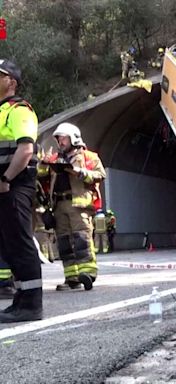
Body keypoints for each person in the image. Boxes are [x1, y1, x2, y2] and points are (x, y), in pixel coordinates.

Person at [0, 58, 43, 322]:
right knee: (9, 245)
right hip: (4, 187)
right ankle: (21, 299)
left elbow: (25, 149)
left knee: (20, 243)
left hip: (14, 185)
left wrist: (5, 178)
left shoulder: (20, 110)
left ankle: (31, 305)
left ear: (11, 82)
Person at [40, 122, 106, 291]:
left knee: (81, 239)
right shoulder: (55, 159)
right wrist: (43, 163)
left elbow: (100, 175)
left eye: (63, 138)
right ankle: (72, 278)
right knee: (64, 243)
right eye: (59, 139)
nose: (60, 142)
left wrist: (79, 172)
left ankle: (88, 273)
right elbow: (41, 176)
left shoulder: (88, 156)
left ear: (74, 138)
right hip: (59, 205)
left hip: (79, 204)